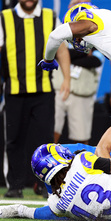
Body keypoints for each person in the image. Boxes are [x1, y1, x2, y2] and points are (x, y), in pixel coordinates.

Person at [0, 0, 71, 198]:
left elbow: (62, 49)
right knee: (14, 140)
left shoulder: (50, 16)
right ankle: (15, 185)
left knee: (45, 140)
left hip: (43, 90)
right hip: (14, 89)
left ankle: (43, 185)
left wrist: (66, 78)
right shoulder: (4, 18)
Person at [53, 0, 104, 145]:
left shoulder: (98, 30)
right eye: (76, 3)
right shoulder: (59, 29)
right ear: (69, 7)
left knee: (81, 137)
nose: (79, 7)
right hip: (58, 89)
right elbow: (55, 54)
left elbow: (96, 60)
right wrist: (83, 52)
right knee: (52, 131)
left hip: (83, 92)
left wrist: (68, 55)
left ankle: (82, 165)